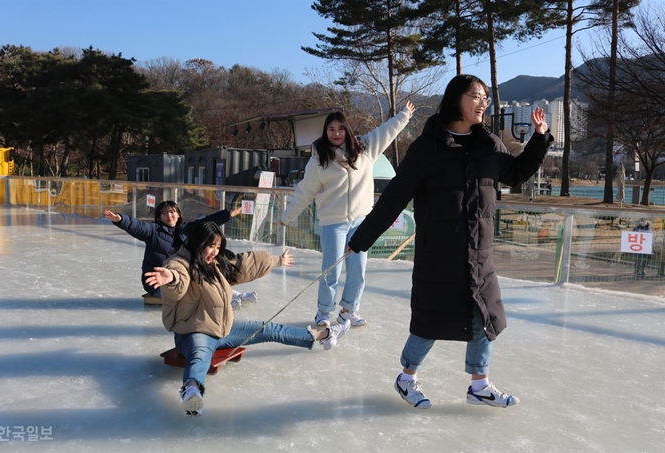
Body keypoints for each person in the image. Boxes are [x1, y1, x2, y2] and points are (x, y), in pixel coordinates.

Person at [347, 74, 552, 409]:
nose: (483, 103)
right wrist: (361, 238)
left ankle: (479, 385)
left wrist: (540, 139)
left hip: (479, 251)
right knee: (430, 319)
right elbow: (394, 198)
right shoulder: (428, 148)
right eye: (476, 96)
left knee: (486, 317)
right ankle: (406, 377)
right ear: (456, 99)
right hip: (439, 252)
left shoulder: (488, 145)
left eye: (486, 97)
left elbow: (515, 174)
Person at [145, 221, 350, 416]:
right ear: (196, 242)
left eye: (217, 246)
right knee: (200, 356)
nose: (214, 251)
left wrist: (278, 260)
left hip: (223, 329)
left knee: (268, 329)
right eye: (209, 245)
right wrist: (169, 278)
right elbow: (178, 277)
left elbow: (245, 264)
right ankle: (191, 392)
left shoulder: (216, 263)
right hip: (194, 332)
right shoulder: (180, 263)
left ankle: (323, 334)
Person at [280, 101, 416, 328]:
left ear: (347, 130)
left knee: (357, 271)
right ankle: (324, 312)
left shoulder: (365, 148)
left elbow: (386, 131)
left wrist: (404, 115)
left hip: (360, 221)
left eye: (340, 129)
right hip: (334, 223)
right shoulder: (319, 160)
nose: (336, 133)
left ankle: (348, 311)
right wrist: (288, 215)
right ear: (325, 132)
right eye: (331, 129)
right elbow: (305, 191)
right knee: (331, 270)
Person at [104, 201, 256, 306]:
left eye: (172, 212)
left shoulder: (187, 229)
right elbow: (137, 226)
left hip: (183, 276)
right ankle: (223, 299)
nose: (169, 216)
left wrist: (229, 214)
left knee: (206, 269)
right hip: (159, 283)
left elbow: (208, 222)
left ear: (178, 214)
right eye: (164, 213)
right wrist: (120, 219)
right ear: (159, 217)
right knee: (194, 285)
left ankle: (233, 294)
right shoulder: (153, 231)